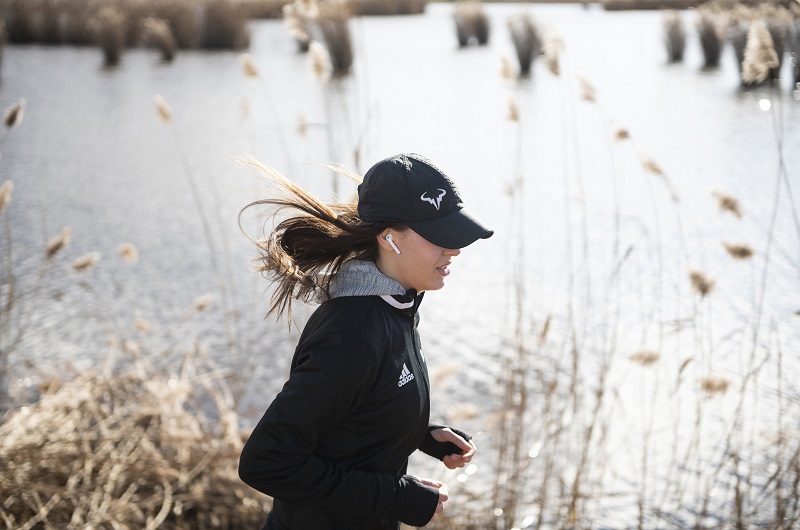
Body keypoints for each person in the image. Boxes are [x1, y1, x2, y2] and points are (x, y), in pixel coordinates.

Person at [238, 153, 493, 529]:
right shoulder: (351, 335)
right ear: (389, 238)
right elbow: (266, 461)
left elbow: (353, 416)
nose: (453, 250)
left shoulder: (399, 306)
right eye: (439, 236)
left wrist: (420, 435)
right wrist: (395, 497)